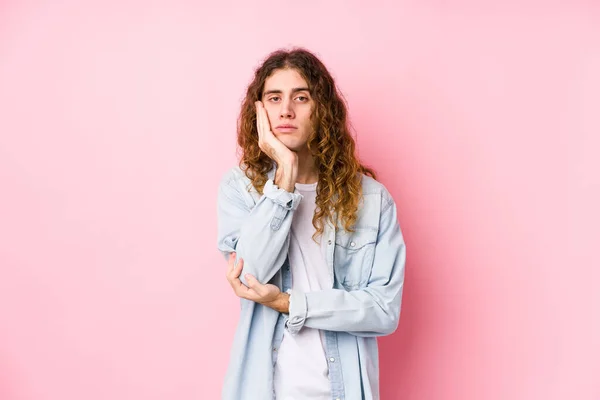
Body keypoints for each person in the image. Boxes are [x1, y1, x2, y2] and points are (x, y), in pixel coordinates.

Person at [216, 47, 406, 400]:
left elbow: (384, 310)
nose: (286, 110)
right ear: (259, 111)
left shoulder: (371, 199)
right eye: (274, 98)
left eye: (301, 97)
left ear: (322, 109)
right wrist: (284, 174)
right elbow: (250, 275)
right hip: (264, 389)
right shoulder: (239, 188)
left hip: (344, 390)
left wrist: (291, 303)